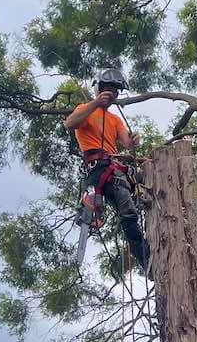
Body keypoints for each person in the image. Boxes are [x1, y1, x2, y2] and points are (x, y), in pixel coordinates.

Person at [63, 68, 150, 269]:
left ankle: (156, 219)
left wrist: (134, 139)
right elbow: (70, 124)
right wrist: (95, 103)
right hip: (100, 169)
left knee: (147, 177)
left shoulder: (115, 119)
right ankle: (144, 257)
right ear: (100, 89)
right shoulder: (85, 109)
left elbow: (127, 143)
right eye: (109, 90)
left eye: (116, 91)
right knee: (127, 208)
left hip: (115, 166)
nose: (112, 94)